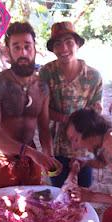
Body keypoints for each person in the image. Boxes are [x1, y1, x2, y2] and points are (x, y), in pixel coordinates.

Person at [0, 21, 62, 193]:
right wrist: (32, 153)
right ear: (8, 51)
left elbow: (44, 129)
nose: (23, 52)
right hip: (0, 160)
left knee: (31, 208)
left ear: (35, 49)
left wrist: (48, 156)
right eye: (16, 47)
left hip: (31, 161)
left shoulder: (42, 87)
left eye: (27, 46)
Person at [39, 21, 103, 188]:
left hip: (84, 146)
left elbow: (95, 114)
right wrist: (64, 119)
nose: (63, 48)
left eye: (69, 42)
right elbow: (42, 109)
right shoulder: (46, 73)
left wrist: (83, 144)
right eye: (58, 44)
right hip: (56, 145)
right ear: (53, 49)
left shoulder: (93, 77)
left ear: (77, 44)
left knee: (82, 191)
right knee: (58, 191)